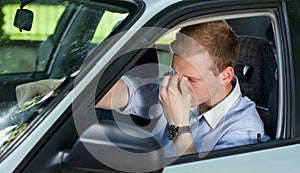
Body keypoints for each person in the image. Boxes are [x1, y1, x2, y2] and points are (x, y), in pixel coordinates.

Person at [16, 20, 269, 157]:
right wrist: (52, 87)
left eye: (191, 79)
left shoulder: (243, 130)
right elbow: (117, 92)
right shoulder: (173, 84)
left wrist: (178, 124)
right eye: (174, 71)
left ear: (225, 76)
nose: (176, 84)